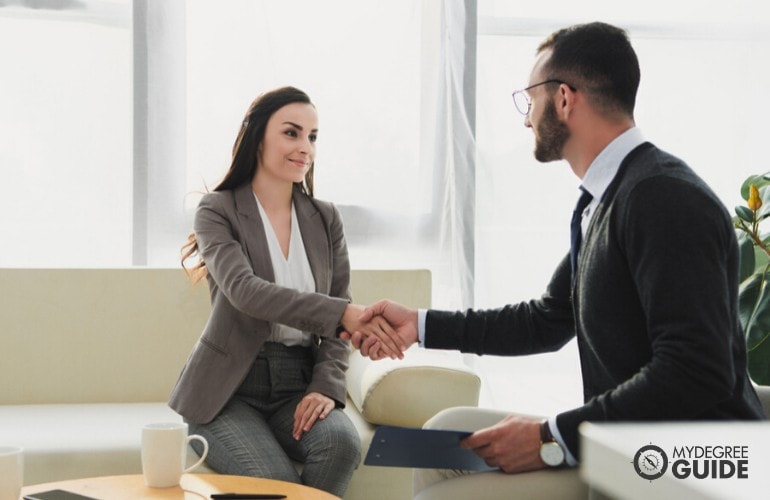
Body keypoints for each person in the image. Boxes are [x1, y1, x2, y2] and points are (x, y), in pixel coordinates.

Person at [343, 21, 766, 490]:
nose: (526, 118)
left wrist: (552, 436)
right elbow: (546, 319)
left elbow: (696, 371)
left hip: (690, 464)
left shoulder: (662, 198)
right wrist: (419, 325)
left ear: (564, 98)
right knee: (447, 427)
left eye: (530, 99)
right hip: (626, 441)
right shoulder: (603, 199)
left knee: (455, 486)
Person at [168, 86, 401, 497]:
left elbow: (339, 318)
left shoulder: (325, 218)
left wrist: (325, 386)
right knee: (276, 486)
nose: (305, 147)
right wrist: (342, 313)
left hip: (299, 381)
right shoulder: (217, 210)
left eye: (313, 136)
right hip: (228, 390)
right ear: (258, 137)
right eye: (292, 133)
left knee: (341, 446)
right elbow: (245, 291)